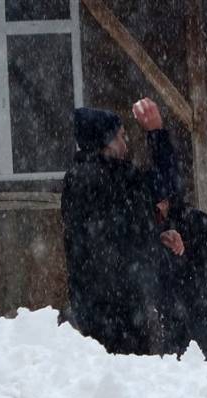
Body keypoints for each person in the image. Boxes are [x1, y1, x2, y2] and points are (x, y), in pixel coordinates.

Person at [60, 98, 179, 355]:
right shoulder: (109, 176)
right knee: (126, 381)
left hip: (98, 303)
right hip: (117, 306)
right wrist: (156, 133)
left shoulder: (82, 176)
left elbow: (119, 231)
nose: (125, 145)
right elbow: (164, 184)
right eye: (121, 137)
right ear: (104, 142)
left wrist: (155, 235)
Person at [154, 192, 207, 360]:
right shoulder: (153, 229)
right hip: (172, 319)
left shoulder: (195, 221)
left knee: (203, 371)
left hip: (201, 315)